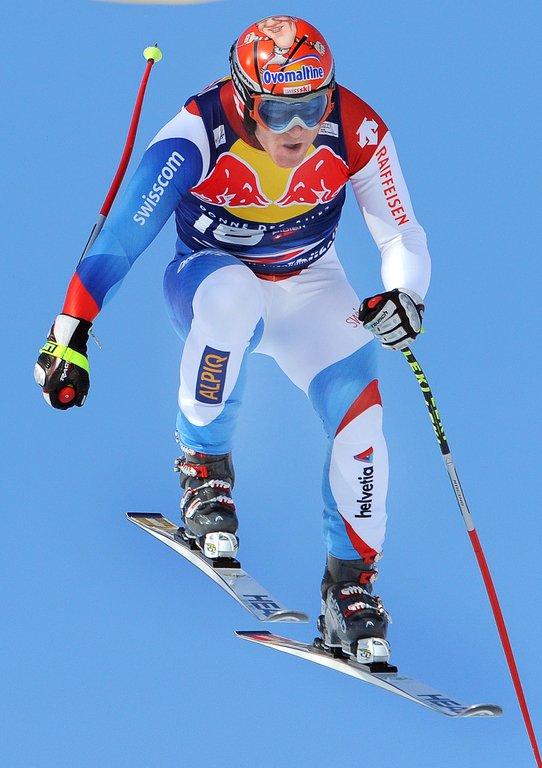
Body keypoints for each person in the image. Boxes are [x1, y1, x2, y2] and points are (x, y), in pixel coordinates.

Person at [35, 16, 431, 665]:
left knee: (363, 421)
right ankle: (204, 473)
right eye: (278, 111)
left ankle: (350, 588)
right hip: (209, 275)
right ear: (246, 100)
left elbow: (401, 232)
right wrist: (68, 333)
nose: (297, 129)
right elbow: (122, 238)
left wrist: (405, 296)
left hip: (311, 286)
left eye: (311, 107)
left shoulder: (356, 126)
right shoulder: (198, 131)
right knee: (234, 296)